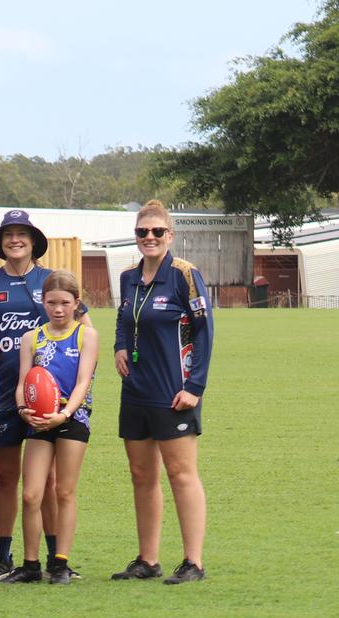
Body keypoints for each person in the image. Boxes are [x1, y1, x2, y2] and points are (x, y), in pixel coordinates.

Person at [0, 209, 91, 580]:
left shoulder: (51, 280)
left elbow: (83, 327)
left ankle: (58, 559)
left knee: (51, 483)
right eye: (8, 234)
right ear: (1, 242)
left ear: (34, 240)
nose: (15, 240)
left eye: (22, 233)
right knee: (7, 477)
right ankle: (4, 556)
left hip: (51, 400)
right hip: (6, 395)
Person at [113, 200, 213, 585]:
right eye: (143, 232)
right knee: (141, 474)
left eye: (157, 232)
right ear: (136, 237)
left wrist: (195, 387)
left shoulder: (184, 275)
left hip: (174, 393)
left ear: (169, 236)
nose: (149, 237)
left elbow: (205, 332)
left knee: (181, 474)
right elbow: (124, 318)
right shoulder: (127, 277)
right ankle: (147, 560)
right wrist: (120, 346)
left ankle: (193, 562)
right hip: (135, 391)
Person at [3, 271, 98, 585]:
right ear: (42, 302)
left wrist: (66, 413)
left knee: (64, 491)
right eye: (52, 303)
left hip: (72, 419)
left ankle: (59, 563)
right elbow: (23, 383)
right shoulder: (33, 337)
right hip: (39, 419)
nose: (58, 309)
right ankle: (30, 565)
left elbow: (84, 380)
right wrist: (23, 410)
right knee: (31, 494)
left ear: (76, 303)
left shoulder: (86, 335)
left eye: (65, 303)